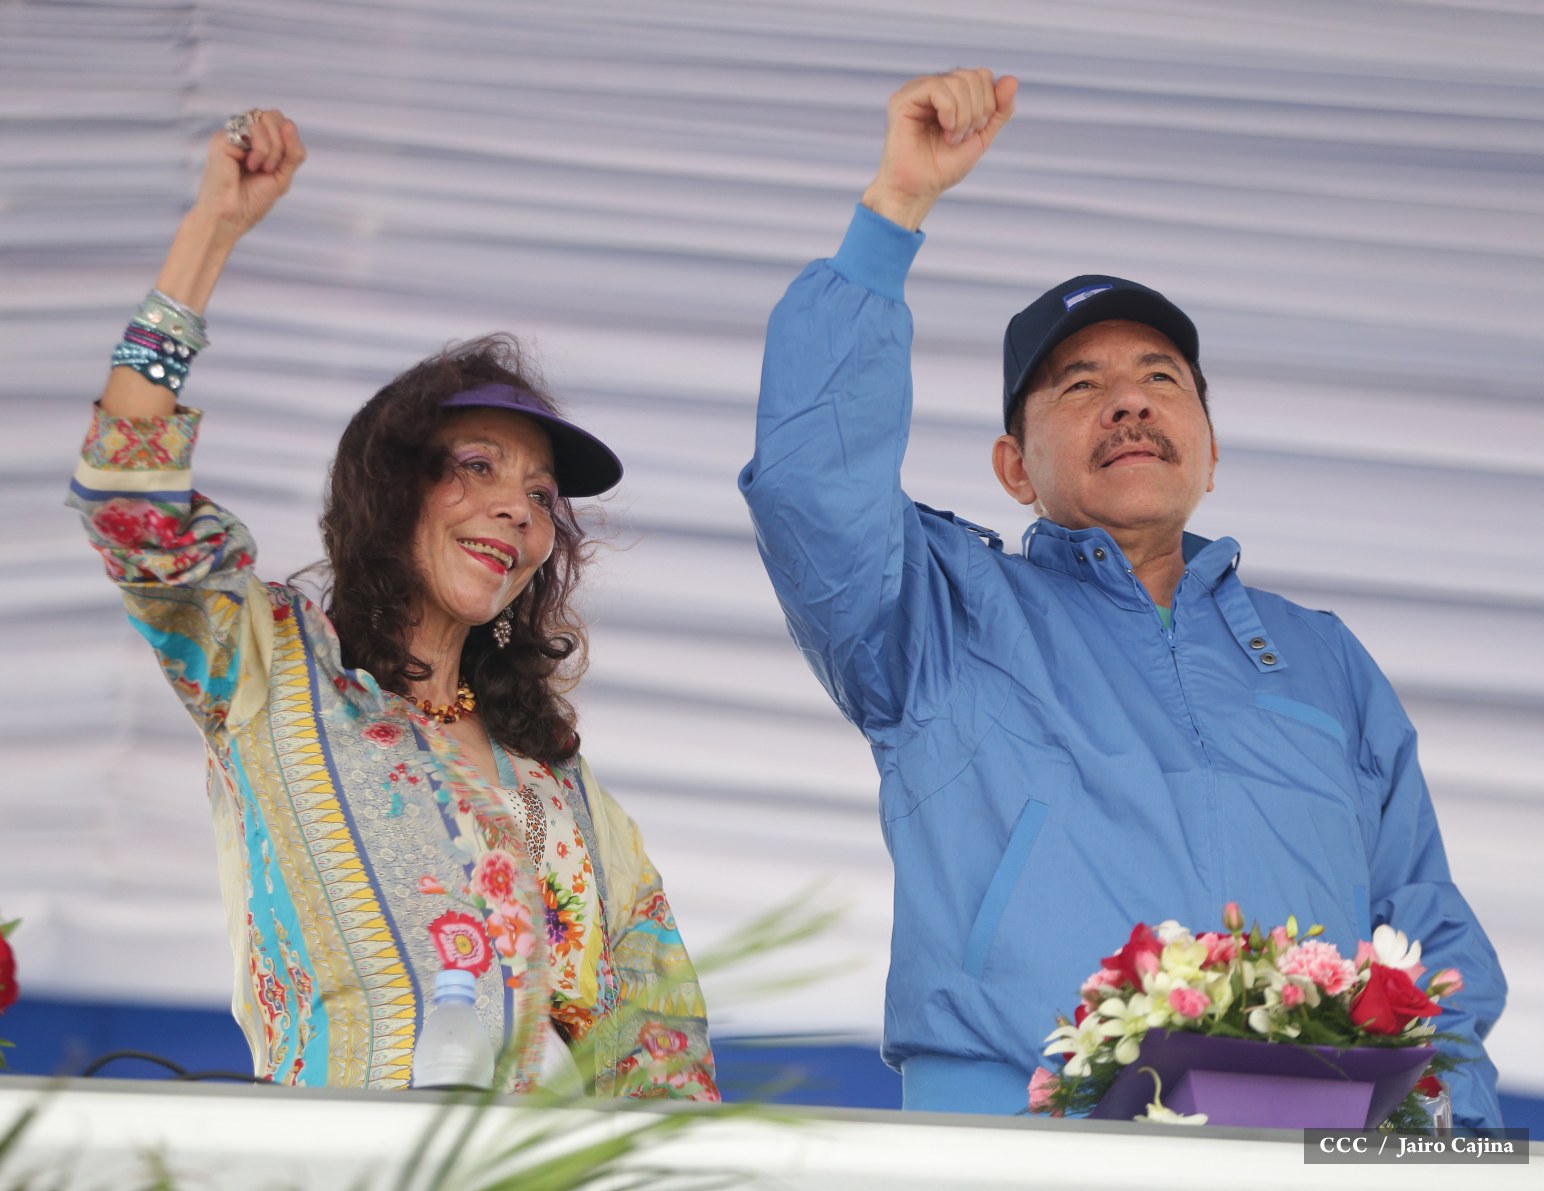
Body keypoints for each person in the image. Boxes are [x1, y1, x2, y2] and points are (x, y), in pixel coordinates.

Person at [739, 70, 1505, 1125]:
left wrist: (1440, 1135)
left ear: (1211, 451)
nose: (1130, 402)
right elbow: (809, 485)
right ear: (1014, 468)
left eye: (1161, 378)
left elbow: (1422, 923)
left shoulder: (1324, 659)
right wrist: (893, 211)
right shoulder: (937, 615)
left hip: (1301, 1149)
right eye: (1080, 385)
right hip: (1022, 1135)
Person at [68, 108, 717, 1099]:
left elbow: (662, 1061)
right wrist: (210, 233)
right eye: (477, 466)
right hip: (328, 1160)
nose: (518, 508)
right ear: (390, 486)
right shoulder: (276, 666)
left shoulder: (564, 788)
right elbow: (129, 501)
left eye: (541, 495)